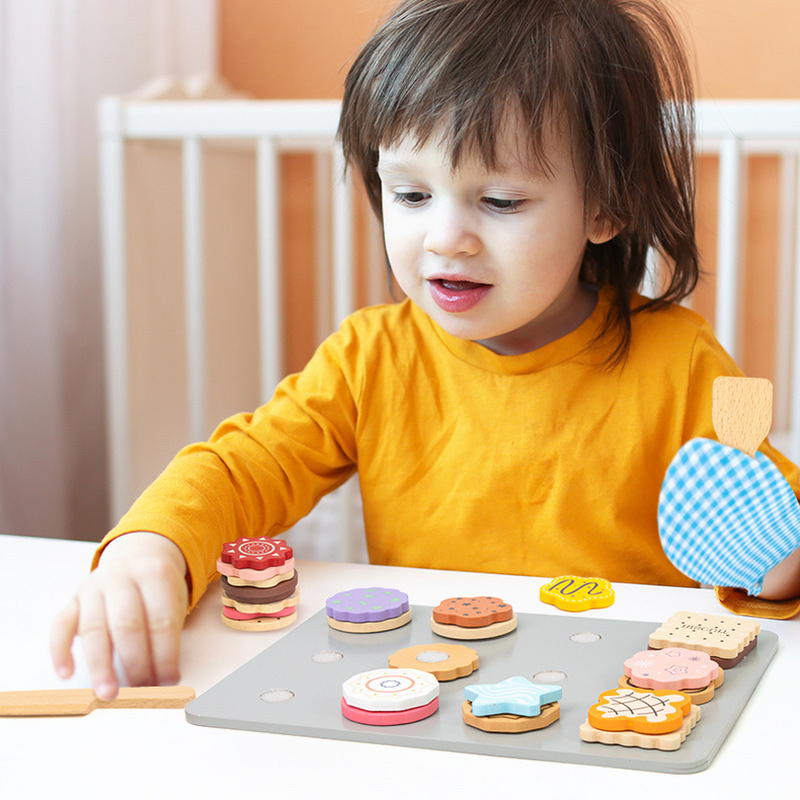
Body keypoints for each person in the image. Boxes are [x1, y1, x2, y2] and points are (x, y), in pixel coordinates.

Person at [51, 0, 800, 700]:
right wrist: (153, 543)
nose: (444, 237)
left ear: (605, 205)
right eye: (410, 196)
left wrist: (778, 562)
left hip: (627, 693)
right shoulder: (368, 358)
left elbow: (767, 505)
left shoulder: (687, 357)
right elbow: (245, 466)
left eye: (500, 201)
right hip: (428, 687)